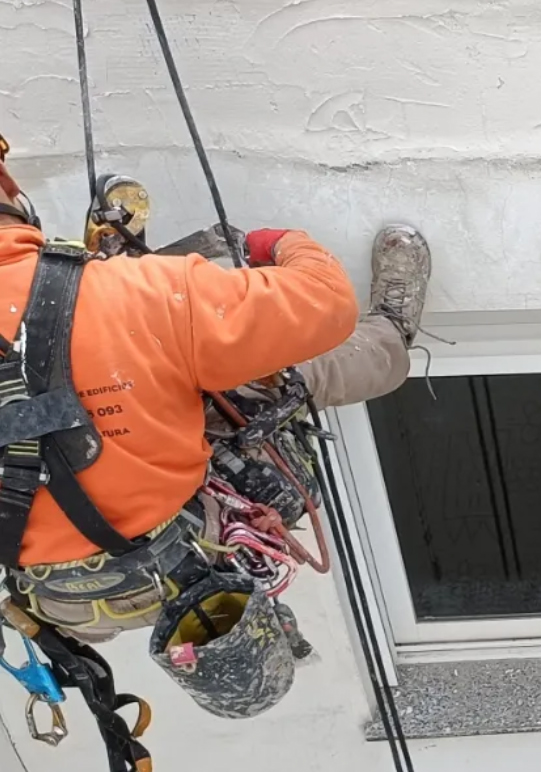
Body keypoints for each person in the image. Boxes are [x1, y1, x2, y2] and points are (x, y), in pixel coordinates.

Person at [0, 137, 429, 676]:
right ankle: (392, 333)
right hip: (168, 557)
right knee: (281, 379)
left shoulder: (142, 294)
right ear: (10, 191)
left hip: (62, 600)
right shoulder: (144, 293)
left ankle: (140, 312)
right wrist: (281, 244)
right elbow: (326, 302)